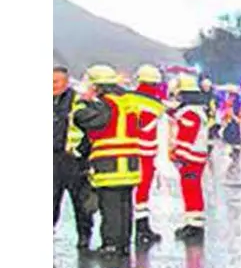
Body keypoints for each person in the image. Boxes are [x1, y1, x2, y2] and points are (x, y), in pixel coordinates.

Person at [76, 65, 161, 255]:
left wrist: (83, 102)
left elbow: (83, 119)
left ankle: (111, 244)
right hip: (130, 162)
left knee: (111, 206)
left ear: (98, 86)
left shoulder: (106, 104)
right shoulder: (127, 102)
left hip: (111, 163)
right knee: (125, 205)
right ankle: (122, 244)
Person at [53, 67, 95, 248]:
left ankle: (84, 236)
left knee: (81, 201)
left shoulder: (78, 101)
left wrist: (82, 151)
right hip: (52, 158)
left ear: (66, 82)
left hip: (74, 159)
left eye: (56, 82)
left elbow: (89, 130)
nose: (52, 86)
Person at [168, 76, 213, 241]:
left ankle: (195, 227)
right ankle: (192, 222)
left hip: (191, 158)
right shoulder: (195, 111)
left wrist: (179, 156)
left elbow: (186, 137)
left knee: (191, 190)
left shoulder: (190, 113)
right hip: (194, 157)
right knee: (190, 189)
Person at [130, 64, 167, 245]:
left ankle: (122, 228)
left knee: (123, 192)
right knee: (142, 191)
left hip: (127, 149)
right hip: (146, 153)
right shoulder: (157, 104)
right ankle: (142, 228)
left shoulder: (128, 99)